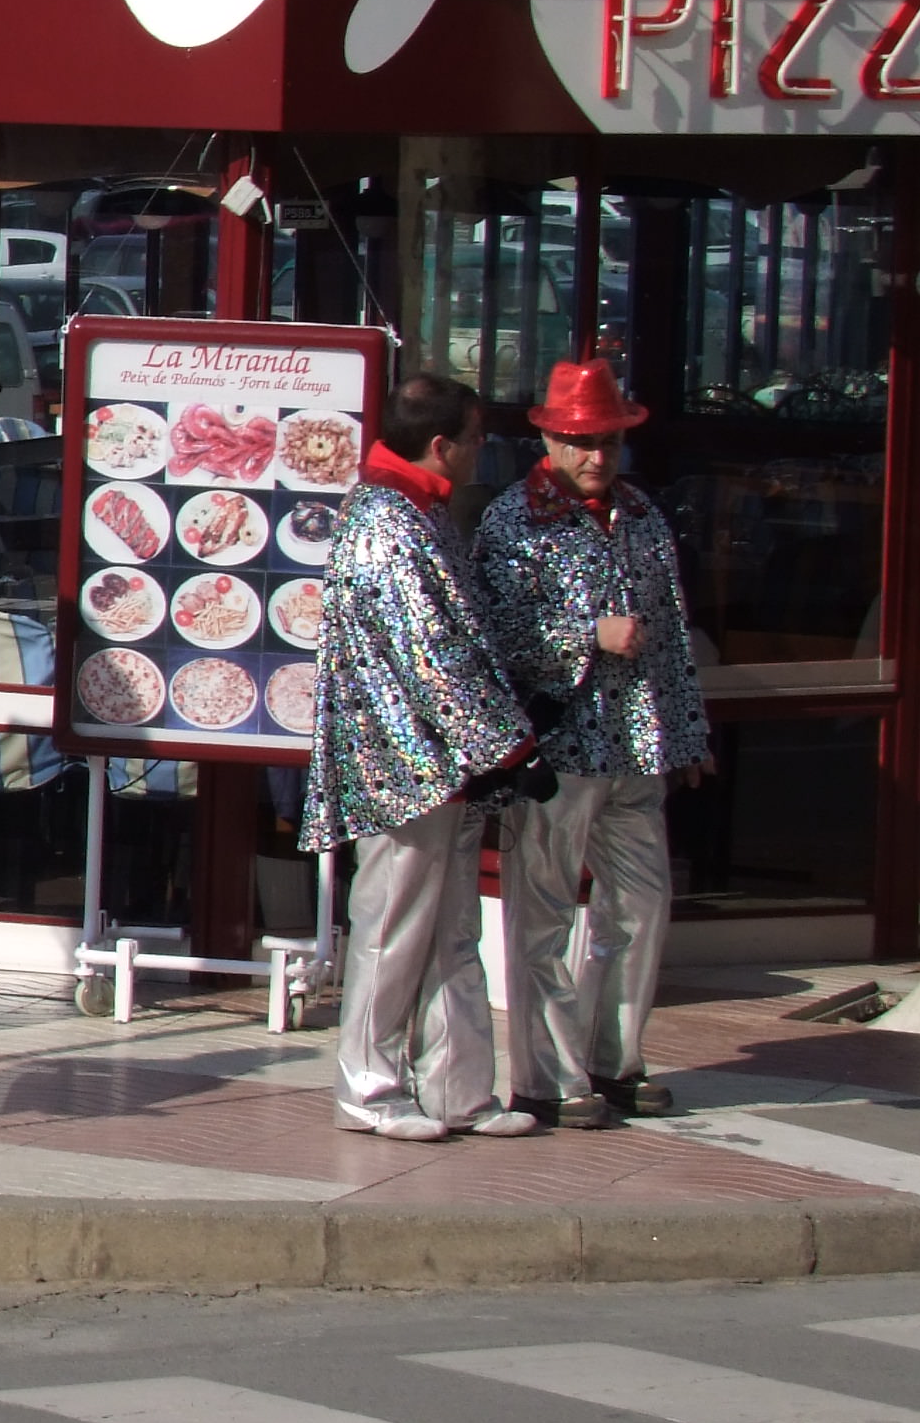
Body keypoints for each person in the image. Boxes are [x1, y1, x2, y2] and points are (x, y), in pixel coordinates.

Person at [474, 353, 714, 1126]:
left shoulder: (642, 516)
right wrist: (587, 635)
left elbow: (671, 629)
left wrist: (688, 730)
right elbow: (495, 633)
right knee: (543, 914)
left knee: (640, 904)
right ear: (549, 441)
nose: (595, 457)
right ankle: (547, 1075)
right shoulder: (513, 519)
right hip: (560, 750)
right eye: (580, 442)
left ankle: (616, 1057)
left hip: (636, 743)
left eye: (606, 441)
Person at [304, 369, 543, 1141]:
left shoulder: (418, 510)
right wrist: (506, 744)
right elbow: (429, 652)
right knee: (392, 929)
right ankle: (368, 1088)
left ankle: (458, 1089)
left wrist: (493, 746)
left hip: (448, 762)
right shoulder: (387, 519)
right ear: (442, 445)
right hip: (402, 764)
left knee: (450, 932)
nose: (482, 450)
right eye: (475, 438)